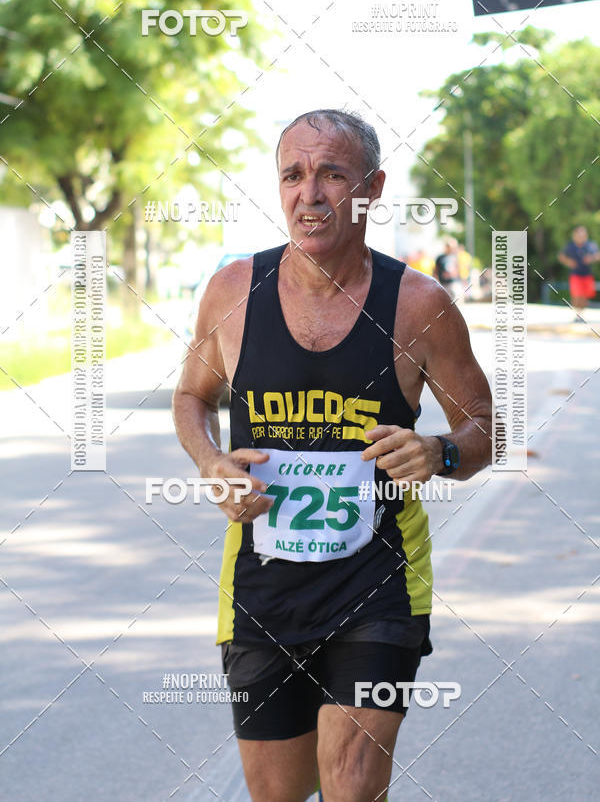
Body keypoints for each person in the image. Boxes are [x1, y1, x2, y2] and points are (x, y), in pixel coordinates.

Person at [172, 109, 492, 802]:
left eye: (332, 175)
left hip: (379, 584)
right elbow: (192, 396)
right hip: (261, 589)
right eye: (293, 175)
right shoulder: (233, 292)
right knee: (278, 795)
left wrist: (438, 452)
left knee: (350, 784)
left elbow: (483, 429)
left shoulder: (420, 305)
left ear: (372, 188)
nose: (309, 194)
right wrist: (211, 463)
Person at [558, 225, 600, 321]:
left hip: (587, 275)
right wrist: (569, 262)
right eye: (579, 235)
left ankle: (581, 314)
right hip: (575, 275)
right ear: (575, 235)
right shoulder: (571, 246)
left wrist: (591, 258)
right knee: (576, 295)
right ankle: (577, 314)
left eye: (583, 235)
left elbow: (598, 256)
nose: (581, 237)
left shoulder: (591, 245)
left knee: (585, 296)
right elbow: (561, 256)